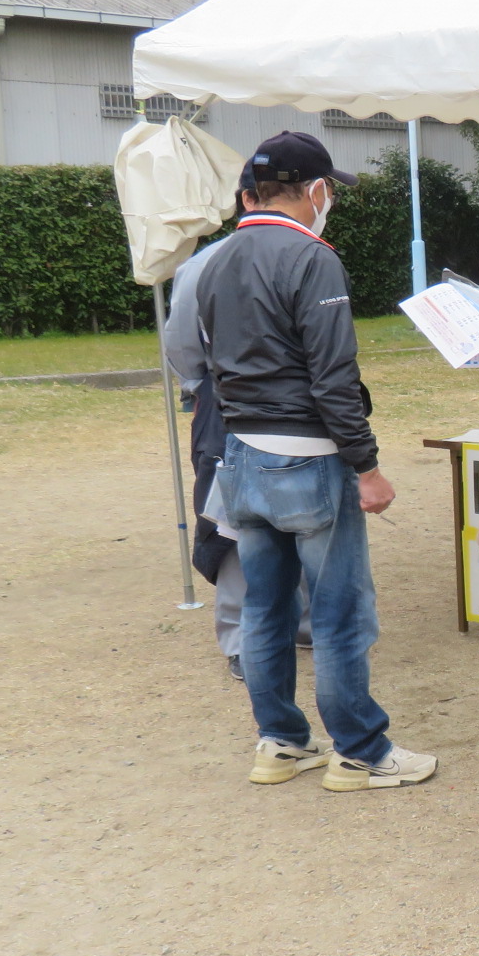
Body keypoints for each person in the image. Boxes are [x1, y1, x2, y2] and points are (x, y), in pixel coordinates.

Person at [197, 131, 437, 793]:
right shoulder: (314, 259)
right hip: (308, 460)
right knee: (338, 613)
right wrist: (367, 466)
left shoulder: (215, 260)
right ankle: (361, 750)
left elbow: (207, 362)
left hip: (241, 455)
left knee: (265, 609)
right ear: (316, 191)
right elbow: (333, 376)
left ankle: (280, 741)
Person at [165, 233, 311, 682]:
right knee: (228, 515)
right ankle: (240, 638)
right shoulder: (208, 263)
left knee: (303, 504)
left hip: (297, 400)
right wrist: (206, 384)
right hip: (227, 399)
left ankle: (302, 621)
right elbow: (182, 344)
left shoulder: (308, 252)